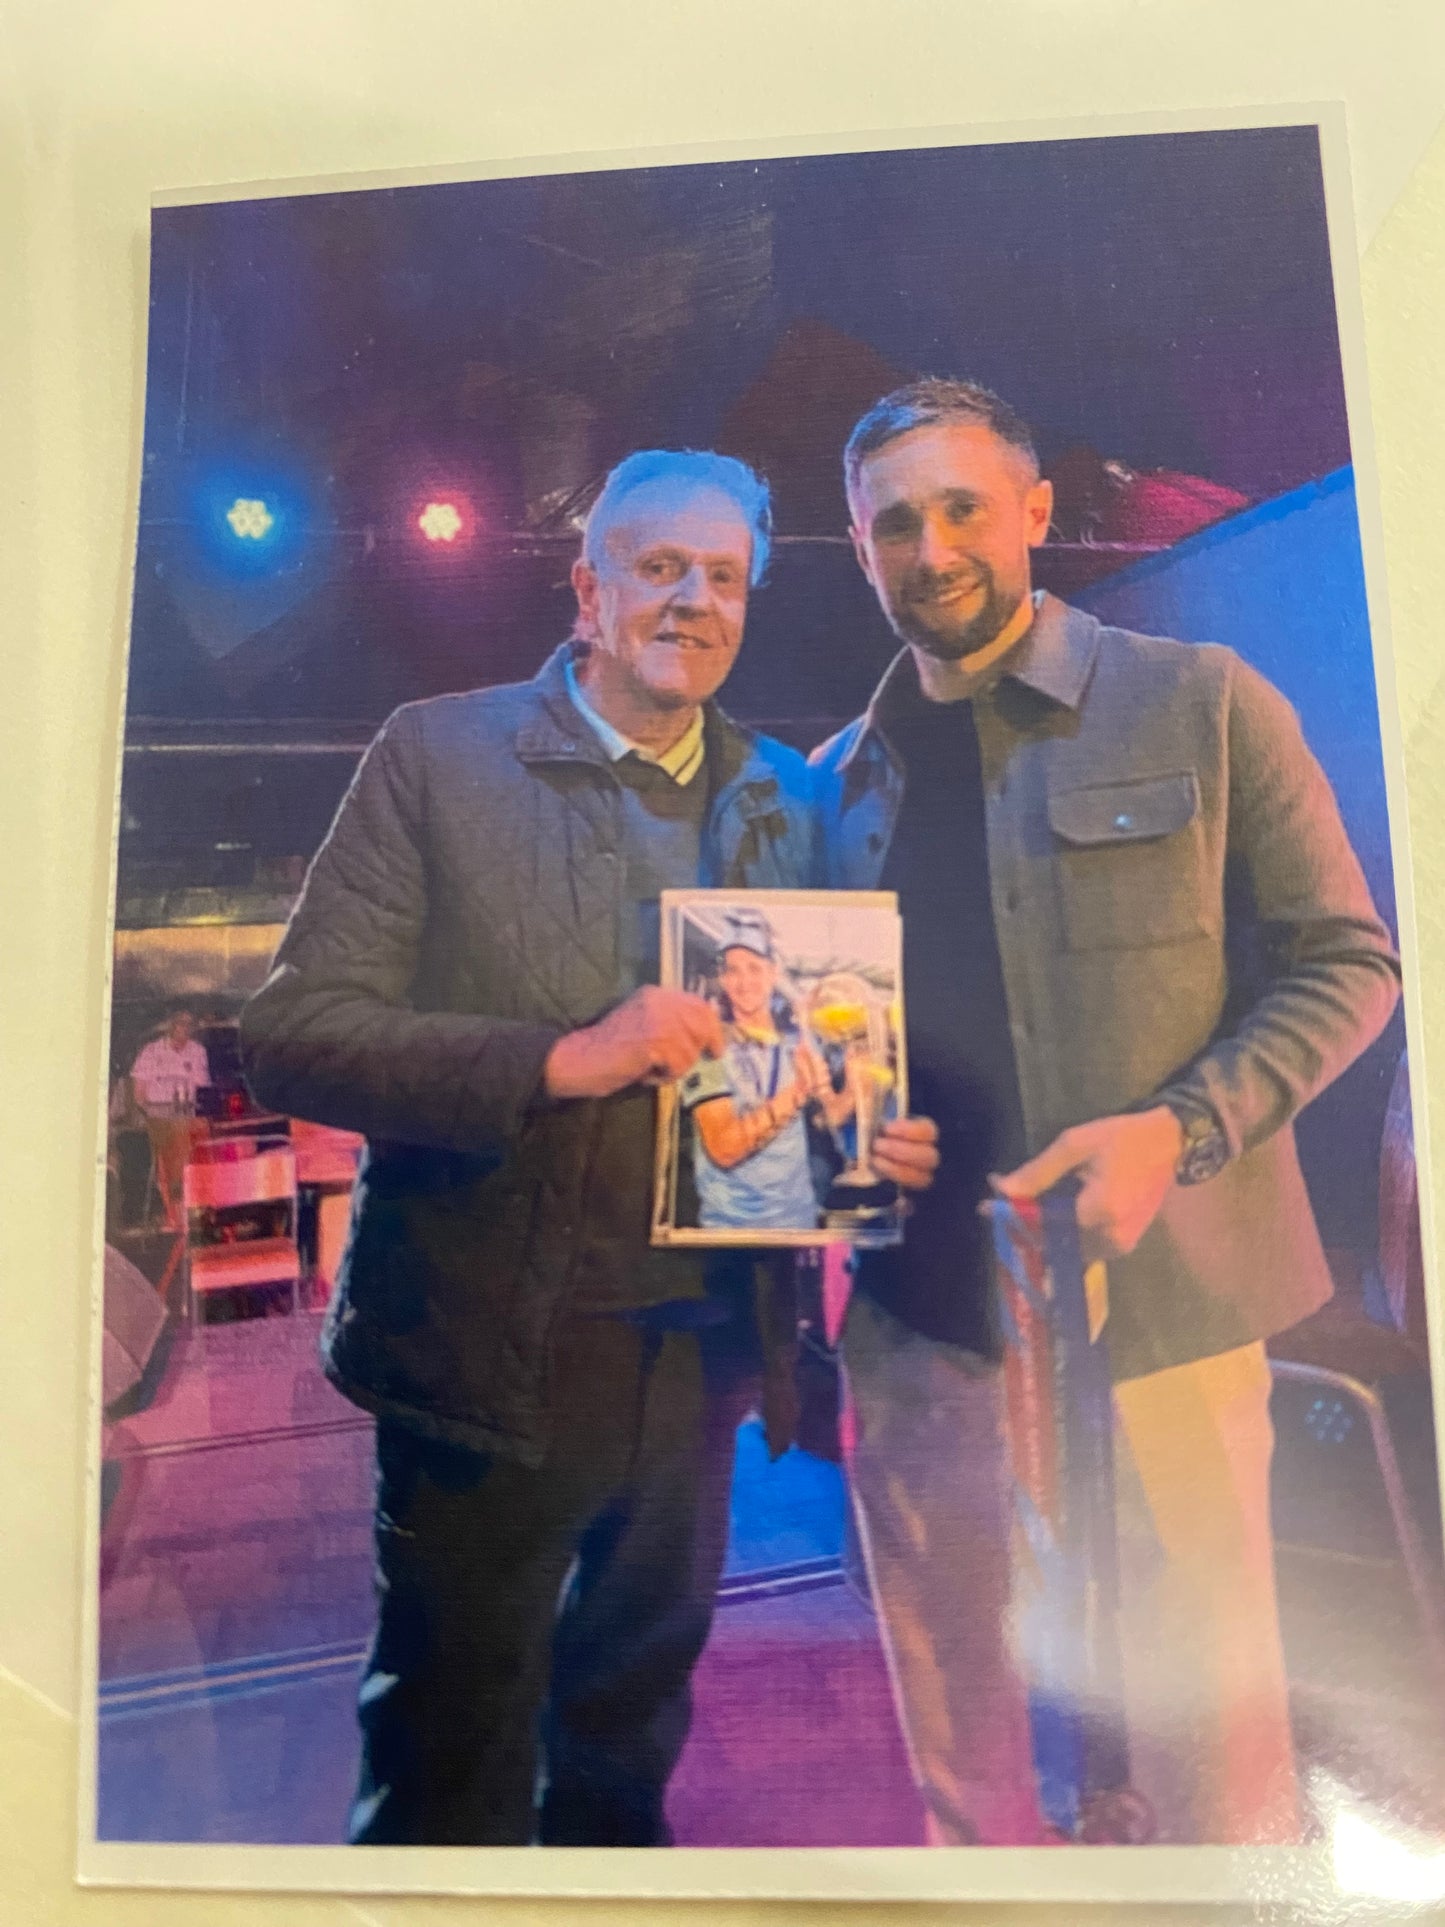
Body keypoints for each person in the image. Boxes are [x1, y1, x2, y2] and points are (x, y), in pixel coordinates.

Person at [238, 447, 938, 1848]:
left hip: (694, 1362)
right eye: (658, 566)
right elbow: (297, 1033)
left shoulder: (785, 799)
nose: (692, 600)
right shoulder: (437, 754)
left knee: (626, 1747)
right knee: (448, 1756)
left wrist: (862, 1130)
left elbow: (807, 1041)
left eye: (723, 577)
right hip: (483, 1358)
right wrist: (560, 1057)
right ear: (586, 588)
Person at [811, 379, 1402, 1846]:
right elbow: (818, 1068)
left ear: (1031, 513)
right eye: (894, 521)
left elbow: (1353, 964)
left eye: (962, 507)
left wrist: (1179, 1132)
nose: (931, 546)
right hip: (919, 1326)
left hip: (1166, 1320)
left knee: (1214, 1740)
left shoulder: (1200, 700)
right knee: (965, 1744)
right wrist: (822, 1143)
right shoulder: (829, 786)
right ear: (859, 546)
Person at [680, 909, 851, 1231]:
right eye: (733, 971)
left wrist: (858, 1079)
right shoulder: (706, 1050)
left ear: (773, 973)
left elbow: (829, 1117)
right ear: (723, 979)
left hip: (799, 1221)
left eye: (754, 969)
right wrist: (798, 1092)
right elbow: (724, 1149)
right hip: (729, 1230)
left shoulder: (797, 1043)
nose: (744, 982)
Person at [129, 1006, 212, 1229]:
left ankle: (196, 1205)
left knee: (195, 1137)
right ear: (170, 1025)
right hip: (158, 1114)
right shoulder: (151, 1051)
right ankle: (175, 1212)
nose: (184, 1028)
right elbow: (139, 1093)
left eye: (189, 1024)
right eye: (180, 1023)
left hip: (186, 1113)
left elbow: (202, 1087)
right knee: (171, 1149)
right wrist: (150, 1113)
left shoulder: (197, 1051)